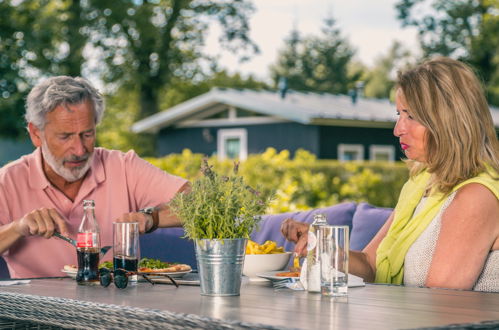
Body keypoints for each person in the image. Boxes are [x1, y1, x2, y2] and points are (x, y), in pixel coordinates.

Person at [281, 57, 499, 292]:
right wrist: (321, 244)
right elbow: (370, 265)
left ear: (449, 121)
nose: (398, 130)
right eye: (399, 115)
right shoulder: (421, 186)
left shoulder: (477, 196)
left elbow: (439, 304)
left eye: (411, 116)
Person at [0, 76, 190, 278]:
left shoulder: (124, 167)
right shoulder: (8, 180)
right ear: (36, 134)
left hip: (116, 305)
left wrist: (153, 218)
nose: (79, 149)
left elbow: (205, 204)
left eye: (87, 134)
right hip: (33, 308)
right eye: (65, 136)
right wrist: (18, 228)